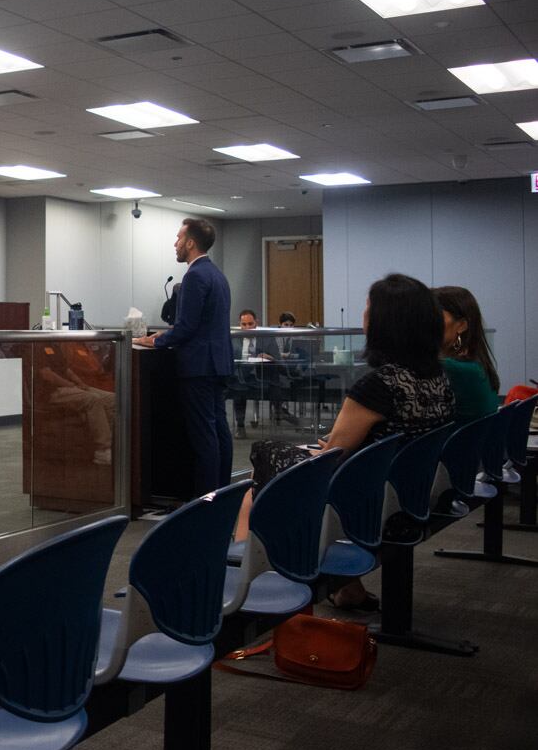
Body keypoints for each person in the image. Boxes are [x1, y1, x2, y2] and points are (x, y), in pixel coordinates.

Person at [243, 274, 454, 608]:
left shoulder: (378, 385)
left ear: (386, 324)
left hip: (370, 505)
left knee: (257, 477)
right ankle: (344, 586)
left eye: (368, 310)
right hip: (413, 491)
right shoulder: (436, 377)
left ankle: (254, 588)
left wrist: (308, 449)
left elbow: (331, 456)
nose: (363, 318)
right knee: (295, 456)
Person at [133, 218, 233, 496]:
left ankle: (206, 498)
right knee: (219, 430)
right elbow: (201, 323)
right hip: (218, 363)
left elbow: (187, 327)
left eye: (178, 238)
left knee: (204, 436)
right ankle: (224, 492)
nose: (175, 244)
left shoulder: (194, 276)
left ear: (190, 243)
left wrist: (155, 341)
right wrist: (160, 336)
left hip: (199, 366)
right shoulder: (217, 275)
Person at [433, 286, 500, 423]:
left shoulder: (451, 369)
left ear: (462, 325)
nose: (427, 323)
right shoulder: (476, 365)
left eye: (435, 316)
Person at [233, 309, 279, 433]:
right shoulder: (234, 338)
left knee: (275, 385)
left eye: (250, 324)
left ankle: (280, 414)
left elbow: (277, 358)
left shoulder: (267, 338)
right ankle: (240, 425)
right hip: (241, 376)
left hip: (262, 375)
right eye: (244, 324)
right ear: (240, 324)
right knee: (238, 389)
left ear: (256, 322)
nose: (247, 327)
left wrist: (270, 357)